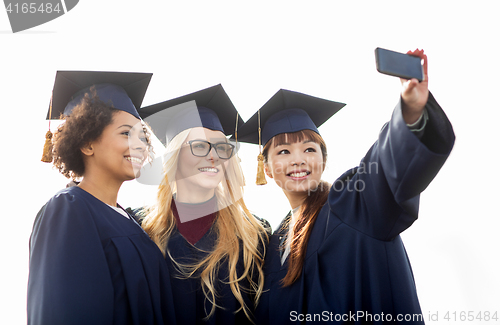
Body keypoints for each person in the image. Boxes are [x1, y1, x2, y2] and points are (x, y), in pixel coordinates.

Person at [236, 49, 455, 324]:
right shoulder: (272, 243)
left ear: (323, 160)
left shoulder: (349, 205)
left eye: (309, 149)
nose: (299, 160)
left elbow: (385, 170)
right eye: (283, 152)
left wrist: (411, 111)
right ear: (265, 167)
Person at [27, 71, 176, 325]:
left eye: (143, 137)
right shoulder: (67, 210)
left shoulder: (129, 219)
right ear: (87, 143)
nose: (140, 145)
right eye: (126, 134)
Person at [135, 85, 270, 324]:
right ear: (173, 156)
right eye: (198, 146)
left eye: (222, 147)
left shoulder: (254, 234)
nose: (213, 156)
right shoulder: (139, 229)